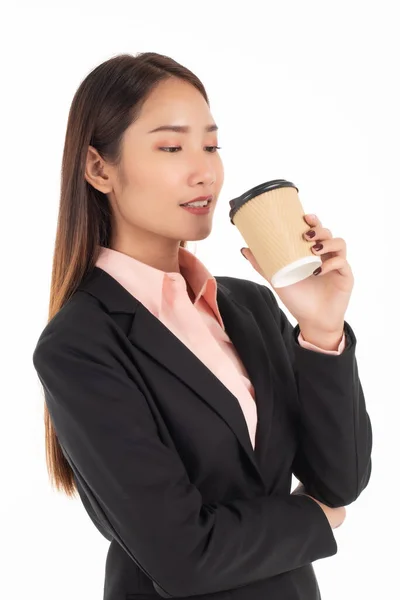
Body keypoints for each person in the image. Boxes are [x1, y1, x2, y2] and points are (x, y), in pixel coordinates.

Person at [32, 52, 372, 600]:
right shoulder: (81, 344)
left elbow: (340, 481)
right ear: (99, 169)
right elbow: (182, 558)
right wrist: (316, 520)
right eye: (171, 147)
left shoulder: (251, 307)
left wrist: (321, 330)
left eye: (211, 146)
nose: (204, 170)